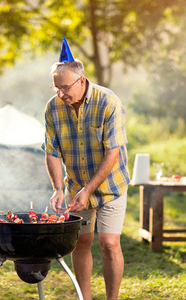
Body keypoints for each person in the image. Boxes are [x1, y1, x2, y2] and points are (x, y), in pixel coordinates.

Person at [43, 37, 130, 300]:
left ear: (81, 81)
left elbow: (112, 153)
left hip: (111, 185)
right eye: (56, 88)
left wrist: (88, 190)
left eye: (65, 87)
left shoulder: (108, 102)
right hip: (75, 185)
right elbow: (52, 151)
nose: (61, 94)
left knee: (109, 243)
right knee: (81, 242)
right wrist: (58, 188)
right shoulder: (53, 108)